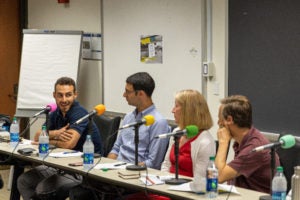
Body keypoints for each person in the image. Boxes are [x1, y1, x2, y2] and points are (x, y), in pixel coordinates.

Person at [17, 77, 102, 200]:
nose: (64, 100)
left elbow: (68, 145)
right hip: (59, 165)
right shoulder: (56, 112)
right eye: (60, 95)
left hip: (81, 169)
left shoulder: (80, 113)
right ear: (54, 95)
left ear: (75, 95)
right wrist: (57, 133)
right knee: (23, 181)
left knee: (43, 189)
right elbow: (37, 136)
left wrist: (48, 138)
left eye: (68, 95)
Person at [215, 95, 280, 193]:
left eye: (220, 119)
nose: (218, 122)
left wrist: (223, 143)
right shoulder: (244, 140)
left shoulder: (254, 148)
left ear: (229, 120)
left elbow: (218, 177)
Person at [107, 72, 170, 170]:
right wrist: (106, 168)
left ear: (141, 94)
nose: (124, 95)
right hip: (117, 169)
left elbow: (153, 163)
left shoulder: (158, 122)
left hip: (137, 173)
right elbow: (115, 150)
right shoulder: (128, 117)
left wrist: (126, 169)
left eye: (128, 92)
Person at [161, 89, 215, 192]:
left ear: (189, 110)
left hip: (186, 193)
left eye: (176, 106)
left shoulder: (205, 141)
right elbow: (166, 165)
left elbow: (200, 182)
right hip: (167, 188)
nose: (172, 110)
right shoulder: (177, 132)